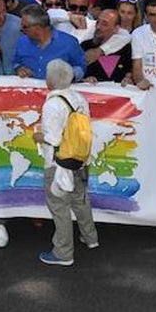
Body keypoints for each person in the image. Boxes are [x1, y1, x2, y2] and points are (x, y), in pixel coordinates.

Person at [34, 59, 98, 266]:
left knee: (59, 207)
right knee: (80, 200)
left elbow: (53, 139)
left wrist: (38, 137)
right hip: (79, 159)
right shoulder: (79, 98)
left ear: (50, 79)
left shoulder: (52, 104)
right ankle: (90, 237)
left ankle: (63, 253)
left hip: (58, 164)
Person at [13, 5, 86, 81]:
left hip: (58, 87)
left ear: (38, 27)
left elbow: (81, 67)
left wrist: (69, 75)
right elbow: (16, 62)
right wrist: (19, 68)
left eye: (24, 27)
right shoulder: (22, 42)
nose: (21, 29)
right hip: (29, 87)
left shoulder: (69, 43)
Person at [80, 9, 132, 83]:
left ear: (116, 28)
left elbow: (130, 73)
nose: (98, 27)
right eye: (97, 22)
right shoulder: (85, 46)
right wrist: (84, 79)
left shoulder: (125, 49)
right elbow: (76, 73)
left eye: (104, 24)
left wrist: (128, 80)